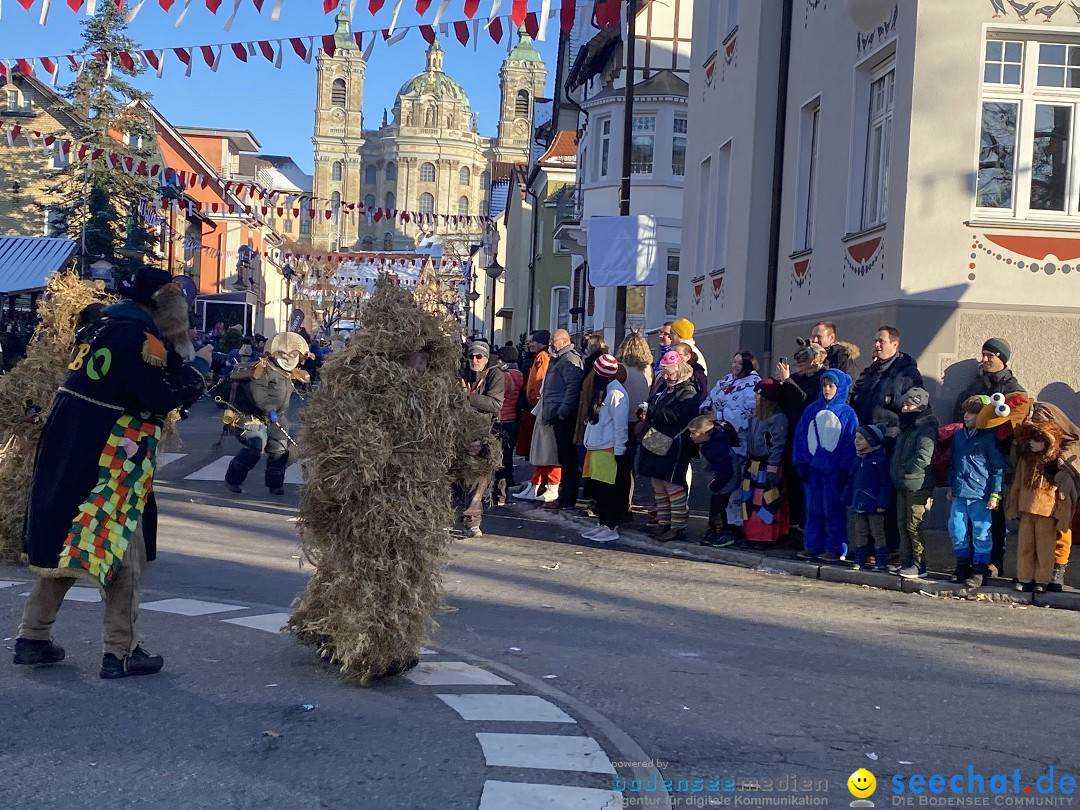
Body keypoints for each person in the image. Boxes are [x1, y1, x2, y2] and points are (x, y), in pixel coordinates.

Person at [14, 268, 206, 679]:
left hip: (68, 447)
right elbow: (157, 396)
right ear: (161, 305)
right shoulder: (140, 340)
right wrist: (194, 378)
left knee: (70, 543)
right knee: (121, 546)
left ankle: (33, 637)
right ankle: (121, 651)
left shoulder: (100, 329)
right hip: (110, 457)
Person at [952, 338, 1025, 577]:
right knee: (961, 522)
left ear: (1002, 359)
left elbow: (1017, 422)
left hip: (995, 461)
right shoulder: (975, 385)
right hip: (968, 459)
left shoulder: (1012, 388)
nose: (984, 360)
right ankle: (968, 561)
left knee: (991, 517)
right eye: (983, 355)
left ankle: (992, 562)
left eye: (989, 356)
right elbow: (958, 413)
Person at [850, 326, 923, 561]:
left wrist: (893, 403)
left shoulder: (907, 373)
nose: (877, 345)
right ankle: (867, 545)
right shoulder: (872, 371)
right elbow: (857, 396)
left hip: (890, 441)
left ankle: (889, 547)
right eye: (875, 341)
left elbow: (914, 404)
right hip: (867, 441)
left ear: (895, 344)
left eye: (881, 341)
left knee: (886, 499)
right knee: (867, 496)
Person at [224, 332, 309, 495]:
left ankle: (275, 485)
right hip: (252, 416)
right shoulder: (263, 369)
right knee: (255, 447)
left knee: (280, 451)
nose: (290, 358)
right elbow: (257, 392)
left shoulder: (286, 372)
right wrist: (269, 408)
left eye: (294, 354)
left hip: (278, 417)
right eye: (285, 353)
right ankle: (232, 480)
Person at [793, 369, 859, 562]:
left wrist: (844, 468)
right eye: (824, 385)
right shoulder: (811, 410)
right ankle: (812, 545)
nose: (827, 389)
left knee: (833, 510)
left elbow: (850, 442)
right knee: (812, 508)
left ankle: (835, 547)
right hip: (813, 468)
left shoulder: (847, 413)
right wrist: (802, 462)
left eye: (831, 386)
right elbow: (801, 438)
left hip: (834, 470)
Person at [1007, 420, 1077, 593]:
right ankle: (1024, 577)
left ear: (1048, 441)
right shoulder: (1026, 461)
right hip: (1026, 510)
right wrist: (1012, 506)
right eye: (1031, 439)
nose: (1032, 443)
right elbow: (1016, 485)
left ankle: (1042, 579)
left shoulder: (1056, 466)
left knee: (1045, 549)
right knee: (1025, 547)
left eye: (1037, 440)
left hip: (1047, 512)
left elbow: (1063, 494)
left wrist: (1062, 516)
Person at [637, 353, 700, 542]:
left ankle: (678, 526)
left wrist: (653, 411)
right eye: (664, 373)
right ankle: (664, 522)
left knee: (673, 484)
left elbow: (679, 416)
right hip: (658, 439)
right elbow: (657, 407)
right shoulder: (667, 389)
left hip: (675, 443)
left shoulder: (689, 391)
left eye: (669, 373)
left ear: (680, 370)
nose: (665, 377)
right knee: (658, 483)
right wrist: (646, 410)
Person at [947, 396, 1007, 589]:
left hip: (981, 494)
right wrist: (951, 485)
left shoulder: (989, 438)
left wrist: (995, 493)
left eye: (972, 412)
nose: (966, 416)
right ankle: (962, 565)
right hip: (960, 491)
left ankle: (979, 570)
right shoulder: (958, 436)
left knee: (982, 531)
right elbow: (954, 462)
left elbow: (998, 467)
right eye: (965, 412)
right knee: (957, 529)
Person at [700, 352, 760, 538]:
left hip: (738, 445)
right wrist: (706, 409)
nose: (735, 366)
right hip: (718, 441)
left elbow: (747, 414)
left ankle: (733, 527)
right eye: (733, 361)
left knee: (734, 487)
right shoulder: (726, 380)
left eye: (740, 363)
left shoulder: (753, 384)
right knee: (719, 484)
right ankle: (716, 525)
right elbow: (710, 399)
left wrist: (719, 415)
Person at [776, 341, 827, 534]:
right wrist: (782, 384)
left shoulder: (823, 379)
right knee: (792, 484)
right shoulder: (796, 377)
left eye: (803, 358)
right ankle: (794, 527)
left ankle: (808, 530)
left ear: (815, 360)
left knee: (808, 487)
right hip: (792, 435)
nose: (798, 362)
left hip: (811, 438)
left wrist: (788, 382)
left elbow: (807, 402)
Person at [890, 388, 939, 579]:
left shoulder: (926, 428)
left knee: (914, 525)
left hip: (917, 484)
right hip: (903, 482)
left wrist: (906, 470)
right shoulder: (906, 427)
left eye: (909, 404)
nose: (905, 408)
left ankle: (920, 564)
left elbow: (923, 456)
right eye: (904, 404)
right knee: (902, 523)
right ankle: (906, 561)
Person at [581, 354, 629, 543]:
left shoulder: (617, 393)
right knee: (600, 490)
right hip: (596, 448)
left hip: (609, 448)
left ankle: (611, 526)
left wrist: (620, 450)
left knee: (610, 490)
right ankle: (602, 524)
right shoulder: (603, 391)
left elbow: (620, 425)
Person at [739, 378, 789, 544]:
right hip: (753, 464)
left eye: (758, 395)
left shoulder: (778, 418)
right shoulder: (754, 418)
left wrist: (773, 468)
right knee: (749, 501)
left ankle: (766, 535)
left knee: (765, 500)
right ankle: (751, 534)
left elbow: (777, 444)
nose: (755, 398)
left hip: (767, 465)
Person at [543, 329, 585, 511]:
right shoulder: (559, 358)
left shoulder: (569, 359)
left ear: (565, 340)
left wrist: (562, 412)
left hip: (565, 417)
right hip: (557, 414)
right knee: (563, 458)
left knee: (568, 459)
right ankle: (564, 495)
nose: (550, 343)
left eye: (553, 340)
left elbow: (573, 388)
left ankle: (568, 498)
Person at [514, 330, 558, 501]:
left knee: (543, 449)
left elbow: (538, 382)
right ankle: (535, 483)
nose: (530, 344)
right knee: (539, 450)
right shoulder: (541, 356)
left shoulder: (542, 357)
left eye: (533, 341)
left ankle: (542, 484)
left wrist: (534, 400)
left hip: (539, 407)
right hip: (537, 406)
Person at [617, 332, 655, 522]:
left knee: (621, 466)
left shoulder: (621, 369)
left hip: (624, 421)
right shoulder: (649, 369)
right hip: (641, 421)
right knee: (632, 466)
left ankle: (622, 506)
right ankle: (627, 505)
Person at [844, 424, 891, 571]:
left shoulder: (880, 460)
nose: (856, 441)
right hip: (858, 503)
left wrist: (882, 502)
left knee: (877, 532)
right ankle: (860, 559)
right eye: (856, 438)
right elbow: (851, 481)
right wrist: (847, 497)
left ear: (871, 441)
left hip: (874, 504)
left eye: (861, 438)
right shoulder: (857, 460)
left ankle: (881, 561)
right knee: (860, 532)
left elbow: (885, 484)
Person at [688, 416, 741, 547]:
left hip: (724, 480)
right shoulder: (709, 443)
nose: (690, 436)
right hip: (721, 478)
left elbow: (725, 469)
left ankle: (721, 533)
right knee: (716, 506)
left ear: (705, 434)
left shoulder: (716, 447)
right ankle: (714, 531)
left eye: (693, 433)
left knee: (718, 508)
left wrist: (715, 485)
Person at [493, 346, 523, 506]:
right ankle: (509, 485)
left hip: (501, 418)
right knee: (508, 455)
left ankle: (500, 490)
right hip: (513, 419)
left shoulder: (502, 376)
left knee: (498, 456)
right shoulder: (520, 375)